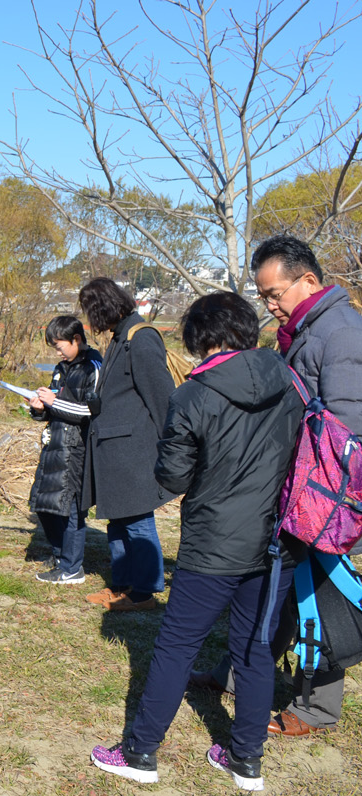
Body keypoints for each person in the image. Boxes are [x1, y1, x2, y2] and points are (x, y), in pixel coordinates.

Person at [91, 292, 303, 790]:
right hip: (277, 541)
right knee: (254, 650)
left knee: (176, 647)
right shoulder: (291, 381)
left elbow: (175, 474)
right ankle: (245, 761)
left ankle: (141, 752)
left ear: (201, 341)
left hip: (214, 542)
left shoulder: (193, 395)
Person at [190, 234, 362, 737]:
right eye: (263, 295)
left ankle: (316, 707)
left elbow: (347, 433)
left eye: (274, 293)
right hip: (293, 487)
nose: (269, 305)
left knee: (318, 595)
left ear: (308, 281)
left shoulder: (343, 334)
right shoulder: (309, 329)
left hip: (322, 497)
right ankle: (237, 676)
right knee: (274, 589)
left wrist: (322, 501)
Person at [78, 278, 175, 611]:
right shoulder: (121, 337)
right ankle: (121, 585)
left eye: (91, 312)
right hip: (114, 450)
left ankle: (145, 592)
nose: (90, 321)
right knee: (117, 520)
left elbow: (163, 401)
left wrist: (174, 451)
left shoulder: (141, 338)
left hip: (132, 451)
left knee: (136, 520)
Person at [27, 315, 102, 585]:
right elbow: (54, 407)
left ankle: (72, 569)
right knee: (44, 505)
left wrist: (55, 401)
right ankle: (60, 557)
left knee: (71, 509)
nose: (57, 352)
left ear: (77, 339)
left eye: (60, 346)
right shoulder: (61, 367)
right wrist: (39, 407)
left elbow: (90, 412)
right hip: (54, 444)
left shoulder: (94, 366)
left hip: (78, 449)